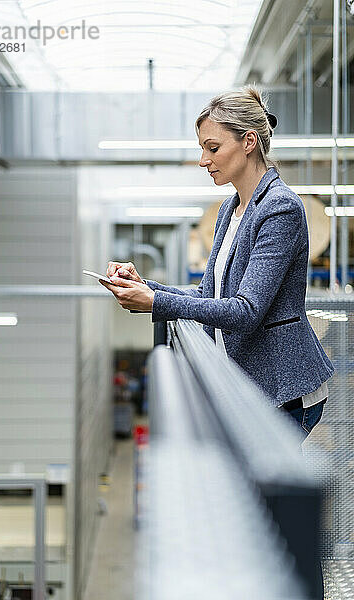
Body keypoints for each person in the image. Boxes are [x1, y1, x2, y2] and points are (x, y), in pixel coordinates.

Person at [100, 85, 335, 440]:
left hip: (283, 391)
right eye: (202, 149)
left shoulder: (281, 208)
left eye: (213, 148)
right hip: (247, 384)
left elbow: (245, 311)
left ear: (249, 142)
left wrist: (157, 303)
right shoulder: (229, 209)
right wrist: (144, 287)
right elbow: (209, 293)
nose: (203, 160)